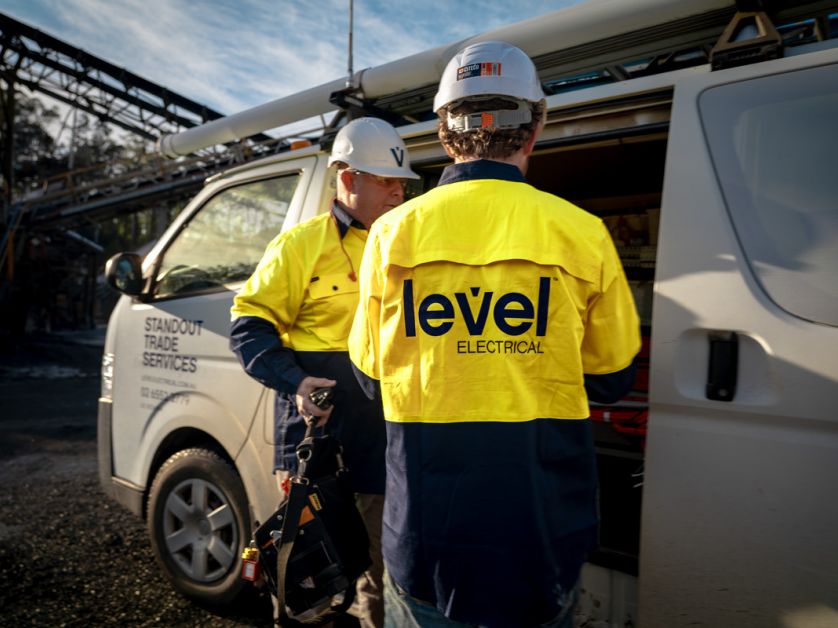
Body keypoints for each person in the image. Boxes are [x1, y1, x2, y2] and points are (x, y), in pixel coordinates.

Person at [348, 41, 641, 628]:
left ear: (444, 132)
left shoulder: (390, 234)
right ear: (534, 129)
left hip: (426, 543)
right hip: (539, 541)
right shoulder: (583, 234)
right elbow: (611, 379)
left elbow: (371, 374)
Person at [230, 116, 420, 628]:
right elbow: (249, 330)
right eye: (386, 180)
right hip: (315, 444)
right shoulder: (299, 246)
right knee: (311, 576)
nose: (398, 192)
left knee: (382, 576)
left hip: (384, 442)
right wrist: (294, 382)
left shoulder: (410, 248)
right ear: (346, 175)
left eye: (401, 182)